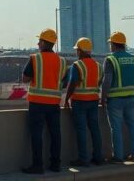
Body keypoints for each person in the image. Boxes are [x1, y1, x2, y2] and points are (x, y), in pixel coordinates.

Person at [21, 29, 67, 174]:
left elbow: (25, 79)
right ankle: (55, 164)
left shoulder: (35, 58)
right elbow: (64, 82)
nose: (38, 44)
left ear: (44, 43)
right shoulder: (62, 61)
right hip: (54, 103)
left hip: (37, 103)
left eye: (39, 41)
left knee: (36, 134)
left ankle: (37, 165)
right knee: (55, 134)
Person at [101, 31, 134, 163]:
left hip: (115, 100)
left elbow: (107, 81)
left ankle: (118, 157)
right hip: (132, 98)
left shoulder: (110, 59)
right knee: (133, 126)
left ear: (114, 44)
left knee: (116, 128)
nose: (110, 46)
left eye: (110, 44)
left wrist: (103, 97)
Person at [64, 37, 103, 167]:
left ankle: (83, 159)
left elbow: (72, 83)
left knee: (81, 130)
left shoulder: (77, 65)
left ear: (80, 51)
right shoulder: (98, 66)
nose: (76, 52)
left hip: (79, 101)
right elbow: (99, 82)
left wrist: (67, 98)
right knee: (95, 129)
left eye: (77, 50)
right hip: (93, 101)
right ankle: (98, 157)